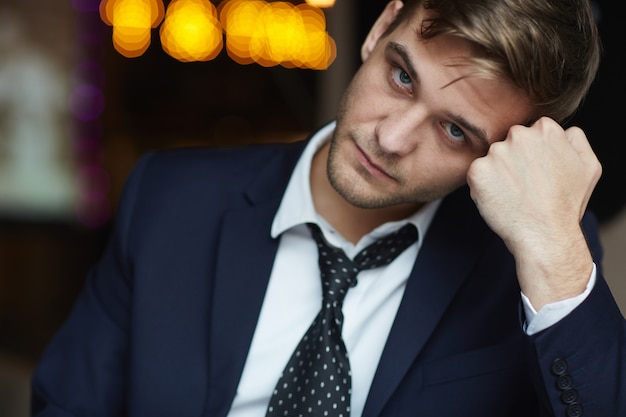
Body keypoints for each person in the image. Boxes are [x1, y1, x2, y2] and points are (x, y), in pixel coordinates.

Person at [31, 0, 626, 416]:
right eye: (400, 76)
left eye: (453, 131)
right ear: (381, 26)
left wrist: (554, 246)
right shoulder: (168, 200)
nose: (391, 139)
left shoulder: (535, 261)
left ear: (508, 148)